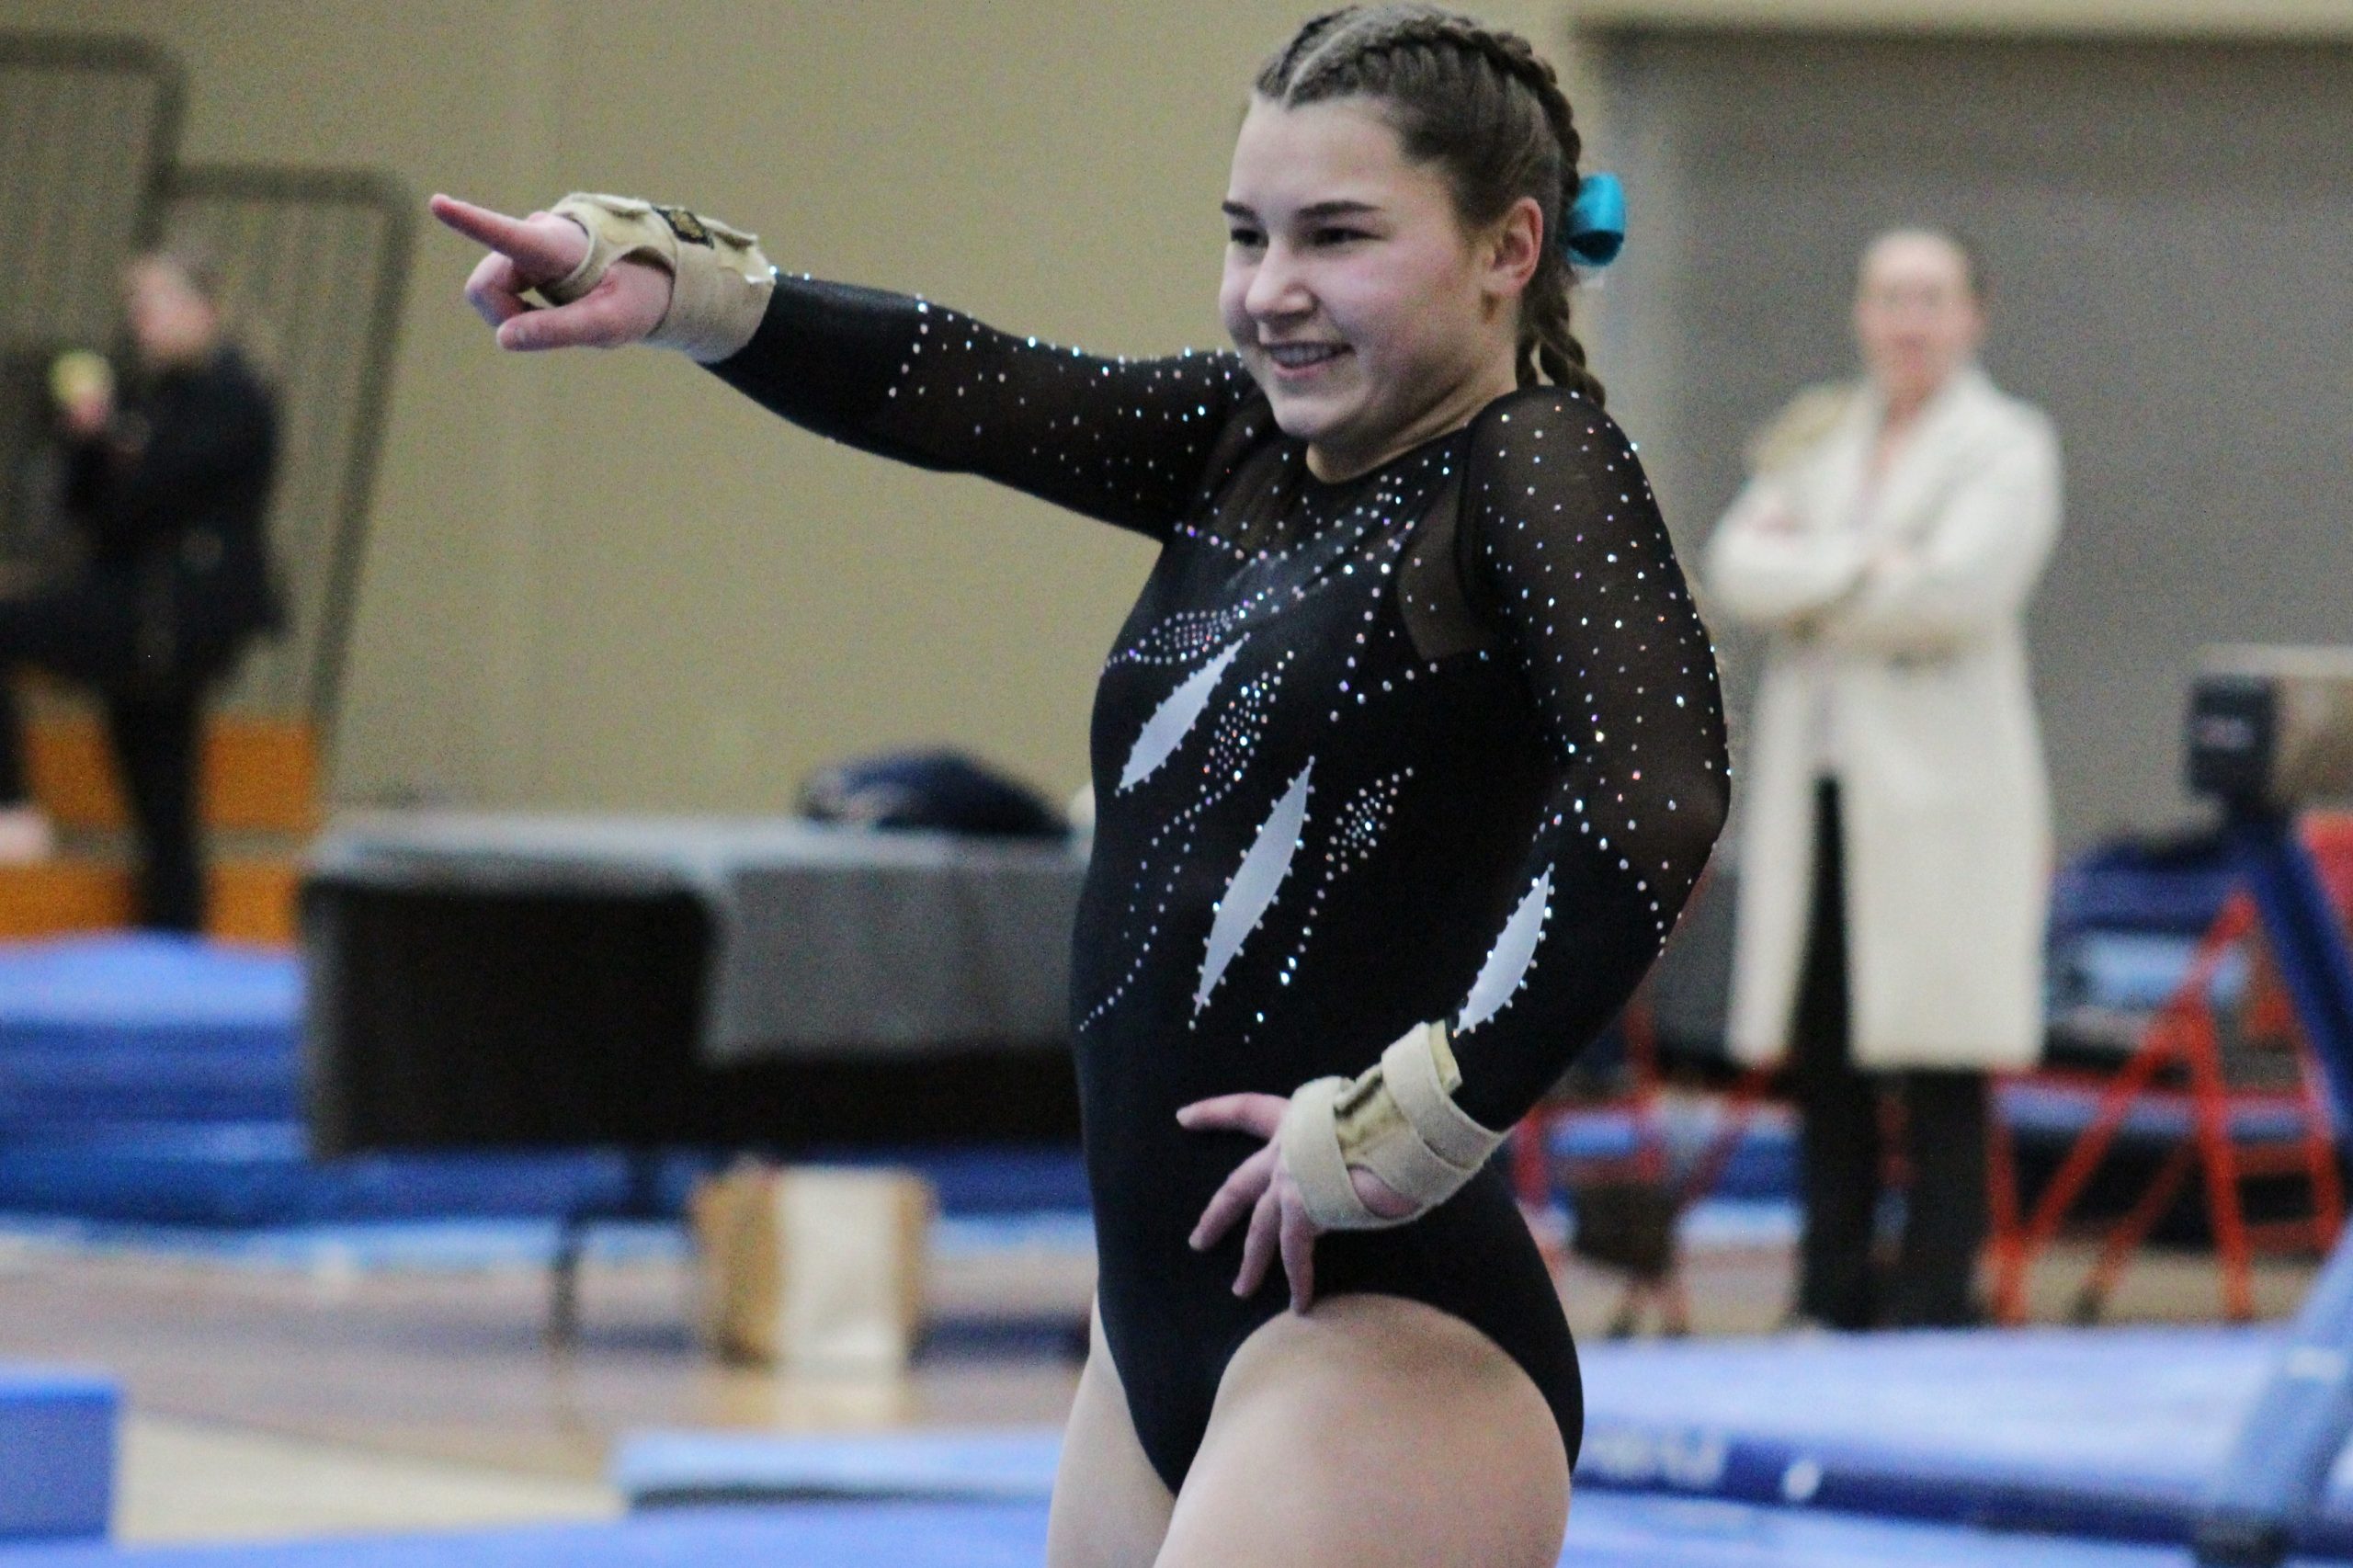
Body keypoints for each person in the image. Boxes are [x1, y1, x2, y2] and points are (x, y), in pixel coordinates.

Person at [435, 7, 1727, 1562]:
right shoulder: (1238, 445)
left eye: (1336, 236)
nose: (1271, 288)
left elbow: (1657, 795)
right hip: (1160, 1332)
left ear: (1508, 247)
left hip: (1380, 1335)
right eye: (1245, 233)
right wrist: (687, 293)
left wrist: (1424, 1114)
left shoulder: (1532, 464)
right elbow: (966, 385)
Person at [1704, 229, 2060, 1331]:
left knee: (1940, 1056)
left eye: (1930, 298)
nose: (1908, 321)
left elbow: (1954, 592)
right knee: (1825, 1047)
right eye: (1890, 297)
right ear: (1861, 312)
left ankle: (1934, 1298)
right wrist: (1868, 564)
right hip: (1820, 787)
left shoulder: (2007, 444)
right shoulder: (1819, 433)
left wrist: (1814, 578)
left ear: (1971, 315)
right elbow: (1735, 567)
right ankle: (1830, 1290)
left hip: (1942, 799)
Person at [0, 251, 280, 930]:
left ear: (204, 310)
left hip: (172, 616)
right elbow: (89, 509)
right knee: (159, 789)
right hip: (139, 608)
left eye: (156, 302)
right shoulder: (147, 396)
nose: (141, 320)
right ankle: (176, 932)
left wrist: (112, 442)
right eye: (135, 305)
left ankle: (11, 806)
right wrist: (89, 440)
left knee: (162, 782)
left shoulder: (233, 393)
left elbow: (156, 495)